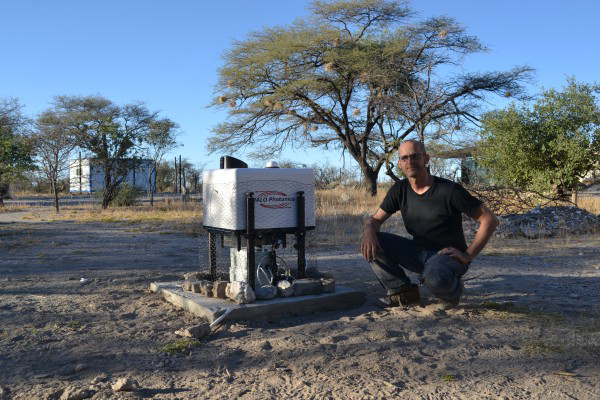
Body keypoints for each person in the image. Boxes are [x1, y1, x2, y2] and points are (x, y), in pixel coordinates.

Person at [361, 140, 499, 308]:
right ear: (399, 163)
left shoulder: (449, 190)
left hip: (448, 257)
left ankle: (452, 291)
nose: (409, 162)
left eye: (415, 156)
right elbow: (375, 220)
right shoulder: (400, 189)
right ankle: (403, 292)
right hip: (418, 252)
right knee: (372, 241)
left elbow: (489, 220)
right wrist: (369, 228)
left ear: (426, 159)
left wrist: (468, 255)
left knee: (435, 277)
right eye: (404, 158)